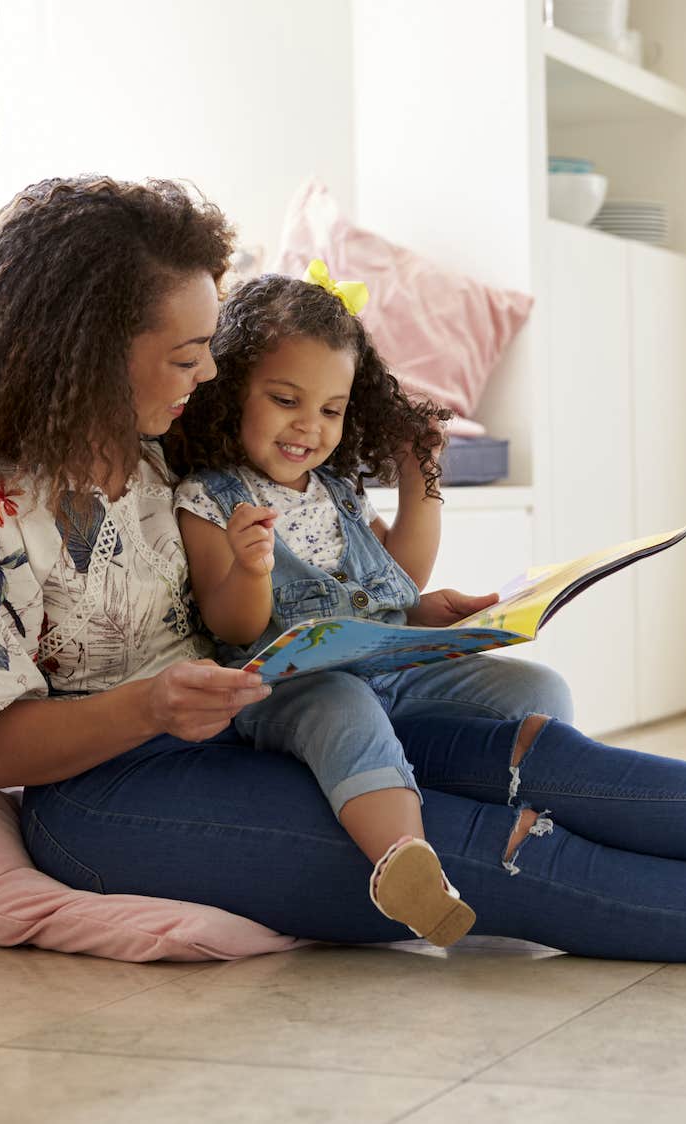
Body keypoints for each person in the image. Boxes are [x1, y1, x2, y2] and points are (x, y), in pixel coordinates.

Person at [0, 175, 686, 963]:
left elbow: (301, 561)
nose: (210, 374)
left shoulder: (165, 465)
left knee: (548, 761)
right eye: (188, 356)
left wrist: (411, 623)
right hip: (112, 797)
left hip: (261, 726)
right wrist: (150, 705)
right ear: (90, 352)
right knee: (498, 852)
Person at [169, 265, 482, 946]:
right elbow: (233, 626)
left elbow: (393, 576)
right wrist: (251, 568)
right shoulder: (210, 497)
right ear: (229, 392)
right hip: (284, 691)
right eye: (286, 399)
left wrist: (418, 478)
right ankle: (406, 865)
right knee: (341, 704)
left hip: (382, 667)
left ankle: (490, 783)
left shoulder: (335, 490)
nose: (309, 427)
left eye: (331, 410)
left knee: (527, 684)